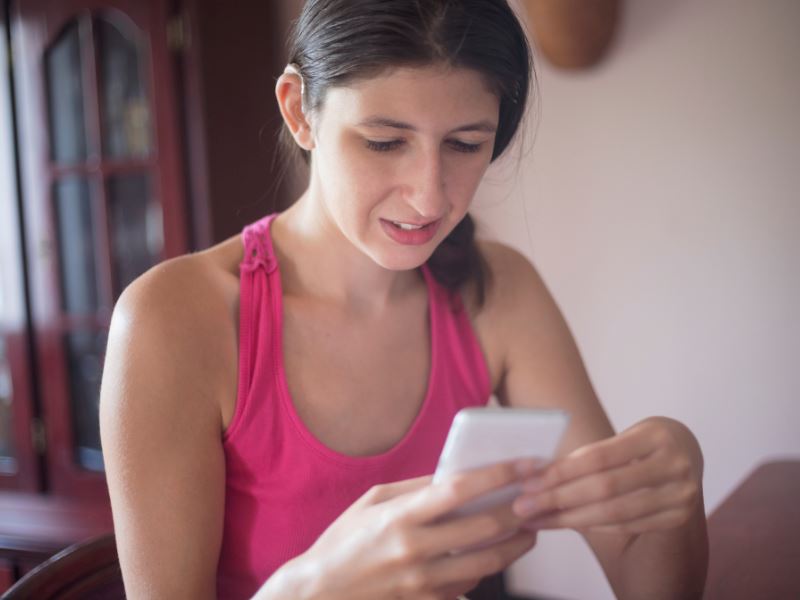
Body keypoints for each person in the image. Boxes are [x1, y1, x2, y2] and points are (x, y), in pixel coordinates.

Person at [99, 1, 709, 598]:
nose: (428, 199)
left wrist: (671, 493)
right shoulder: (172, 322)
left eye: (465, 145)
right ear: (299, 111)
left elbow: (636, 567)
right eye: (385, 142)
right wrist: (312, 589)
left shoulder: (496, 291)